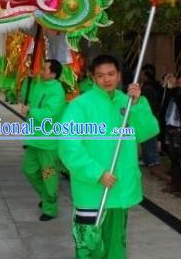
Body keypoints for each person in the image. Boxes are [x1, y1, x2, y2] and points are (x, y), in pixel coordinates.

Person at [60, 54, 159, 259]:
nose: (107, 79)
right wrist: (97, 173)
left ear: (119, 75)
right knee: (89, 246)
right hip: (92, 191)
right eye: (100, 75)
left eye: (111, 74)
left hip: (120, 190)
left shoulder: (129, 102)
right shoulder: (80, 105)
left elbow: (147, 131)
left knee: (116, 246)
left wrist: (139, 104)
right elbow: (69, 146)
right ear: (93, 78)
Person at [21, 59, 66, 221]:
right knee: (29, 170)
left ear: (53, 73)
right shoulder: (39, 85)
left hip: (48, 144)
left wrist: (31, 111)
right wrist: (29, 80)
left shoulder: (57, 91)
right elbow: (25, 97)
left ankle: (50, 208)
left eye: (44, 69)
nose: (41, 71)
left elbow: (50, 114)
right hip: (34, 140)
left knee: (49, 176)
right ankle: (47, 197)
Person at [161, 71, 181, 197]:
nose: (180, 79)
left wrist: (174, 88)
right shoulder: (174, 92)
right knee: (173, 158)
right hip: (169, 128)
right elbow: (163, 102)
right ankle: (175, 184)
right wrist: (169, 85)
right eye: (180, 77)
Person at [139, 64, 162, 170]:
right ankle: (148, 158)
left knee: (149, 137)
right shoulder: (152, 85)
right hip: (150, 114)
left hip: (149, 115)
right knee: (146, 136)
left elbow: (148, 104)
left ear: (145, 74)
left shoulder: (148, 88)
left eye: (141, 73)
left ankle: (152, 159)